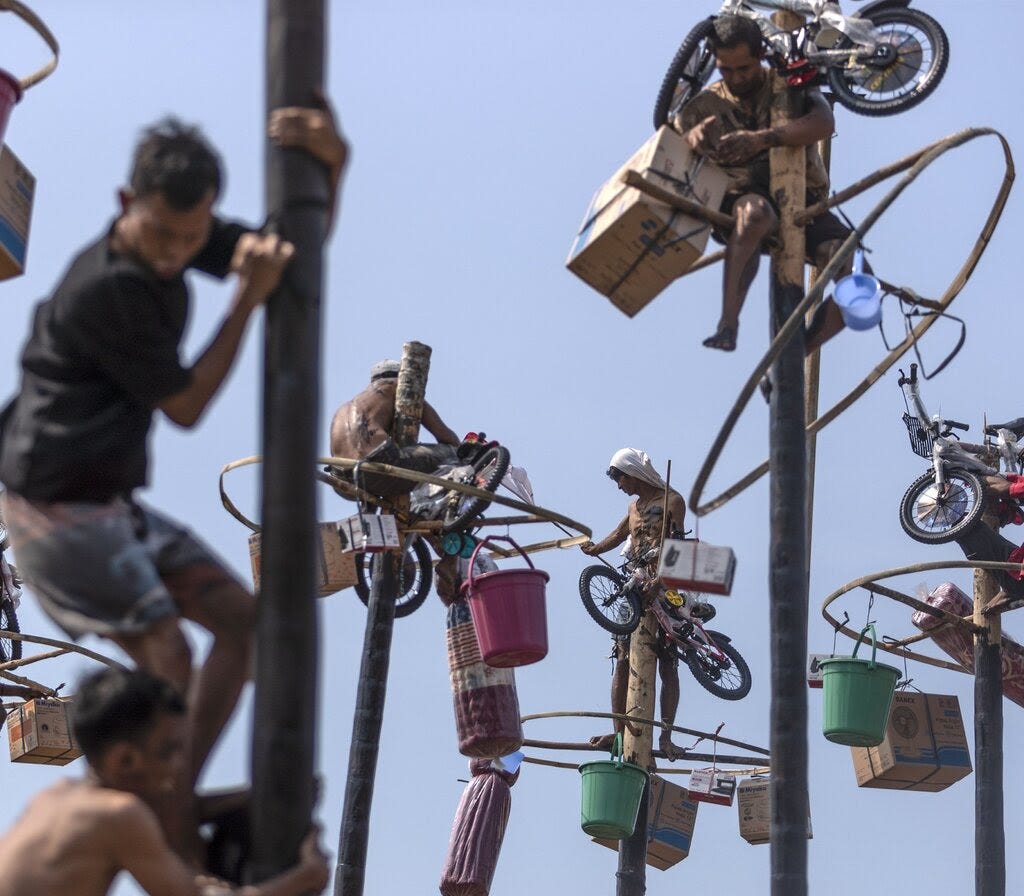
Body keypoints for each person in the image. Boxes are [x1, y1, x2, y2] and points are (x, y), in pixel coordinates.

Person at [0, 103, 347, 859]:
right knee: (169, 656)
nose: (174, 254)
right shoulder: (107, 290)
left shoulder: (184, 240)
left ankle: (173, 794)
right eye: (160, 235)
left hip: (111, 504)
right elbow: (187, 406)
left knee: (243, 623)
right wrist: (243, 300)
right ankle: (175, 841)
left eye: (191, 239)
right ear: (126, 206)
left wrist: (334, 163)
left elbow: (291, 259)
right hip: (51, 511)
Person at [0, 667, 330, 896]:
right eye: (168, 751)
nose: (177, 766)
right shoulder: (119, 816)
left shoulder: (56, 798)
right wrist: (305, 877)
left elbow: (182, 811)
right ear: (125, 760)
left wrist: (252, 795)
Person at [677, 15, 857, 353]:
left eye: (743, 68)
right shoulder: (701, 106)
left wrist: (763, 139)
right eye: (725, 70)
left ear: (760, 54)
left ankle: (794, 355)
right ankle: (728, 323)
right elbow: (675, 147)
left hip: (804, 202)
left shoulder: (790, 83)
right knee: (754, 216)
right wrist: (693, 137)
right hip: (741, 197)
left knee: (858, 283)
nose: (735, 78)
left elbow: (822, 122)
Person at [580, 448, 702, 761]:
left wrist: (660, 582)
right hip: (633, 581)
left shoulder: (671, 501)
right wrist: (594, 549)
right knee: (622, 657)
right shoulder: (634, 507)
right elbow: (619, 534)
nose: (620, 486)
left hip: (664, 586)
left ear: (633, 473)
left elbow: (678, 546)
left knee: (668, 661)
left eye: (621, 479)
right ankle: (619, 731)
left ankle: (666, 736)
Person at [329, 359, 461, 497]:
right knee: (453, 453)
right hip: (380, 467)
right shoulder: (399, 387)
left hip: (343, 480)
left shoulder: (344, 409)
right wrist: (463, 452)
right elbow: (442, 433)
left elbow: (357, 452)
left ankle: (376, 512)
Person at [955, 472, 1024, 615]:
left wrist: (977, 480)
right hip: (1017, 575)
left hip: (1017, 572)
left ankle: (1011, 591)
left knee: (966, 526)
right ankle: (1010, 592)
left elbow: (1008, 488)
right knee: (1008, 555)